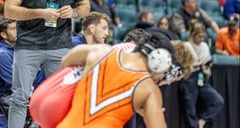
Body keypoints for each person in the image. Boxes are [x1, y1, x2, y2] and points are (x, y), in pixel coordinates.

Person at [4, 0, 90, 127]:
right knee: (19, 98)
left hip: (60, 45)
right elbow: (9, 10)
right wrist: (41, 13)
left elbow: (85, 7)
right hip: (28, 45)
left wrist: (74, 13)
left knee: (62, 99)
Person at [31, 32, 188, 128]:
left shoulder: (103, 51)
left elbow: (66, 62)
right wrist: (150, 112)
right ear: (161, 61)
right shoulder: (149, 89)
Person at [182, 23, 224, 128]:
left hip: (202, 78)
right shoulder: (186, 46)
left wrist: (208, 64)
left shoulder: (205, 45)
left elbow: (206, 62)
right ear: (193, 35)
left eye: (203, 37)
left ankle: (203, 120)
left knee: (218, 101)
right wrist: (201, 63)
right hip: (189, 78)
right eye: (199, 36)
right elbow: (187, 66)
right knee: (190, 109)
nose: (201, 39)